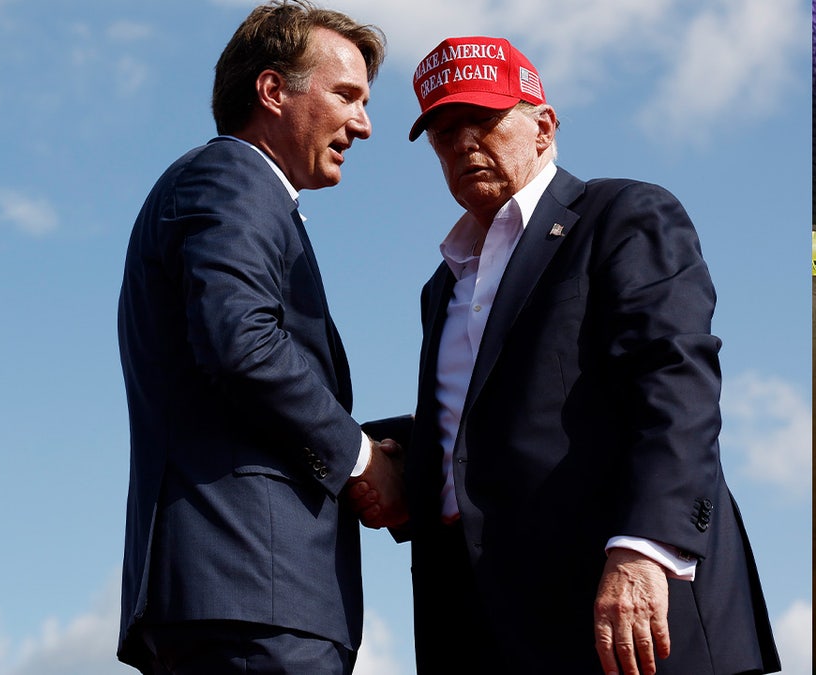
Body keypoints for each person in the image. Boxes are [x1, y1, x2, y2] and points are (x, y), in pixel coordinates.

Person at [354, 35, 781, 674]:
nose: (465, 140)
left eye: (484, 118)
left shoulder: (623, 215)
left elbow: (673, 380)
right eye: (444, 130)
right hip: (489, 625)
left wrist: (644, 548)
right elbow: (482, 428)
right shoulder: (441, 287)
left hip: (632, 616)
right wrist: (363, 453)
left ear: (544, 127)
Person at [115, 2, 401, 673]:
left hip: (246, 598)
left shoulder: (243, 193)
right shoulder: (233, 177)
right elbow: (241, 342)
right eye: (347, 95)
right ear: (272, 90)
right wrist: (362, 459)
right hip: (252, 595)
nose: (363, 123)